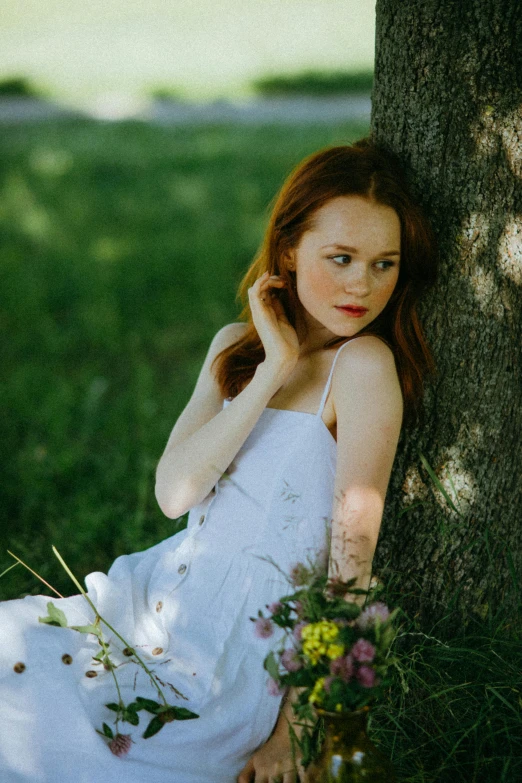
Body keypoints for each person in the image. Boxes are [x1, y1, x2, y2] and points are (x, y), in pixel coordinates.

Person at [0, 138, 437, 783]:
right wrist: (270, 372)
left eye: (384, 264)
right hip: (151, 603)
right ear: (289, 250)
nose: (361, 285)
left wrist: (300, 726)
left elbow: (352, 568)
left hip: (235, 651)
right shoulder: (235, 346)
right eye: (340, 258)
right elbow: (175, 495)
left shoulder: (363, 366)